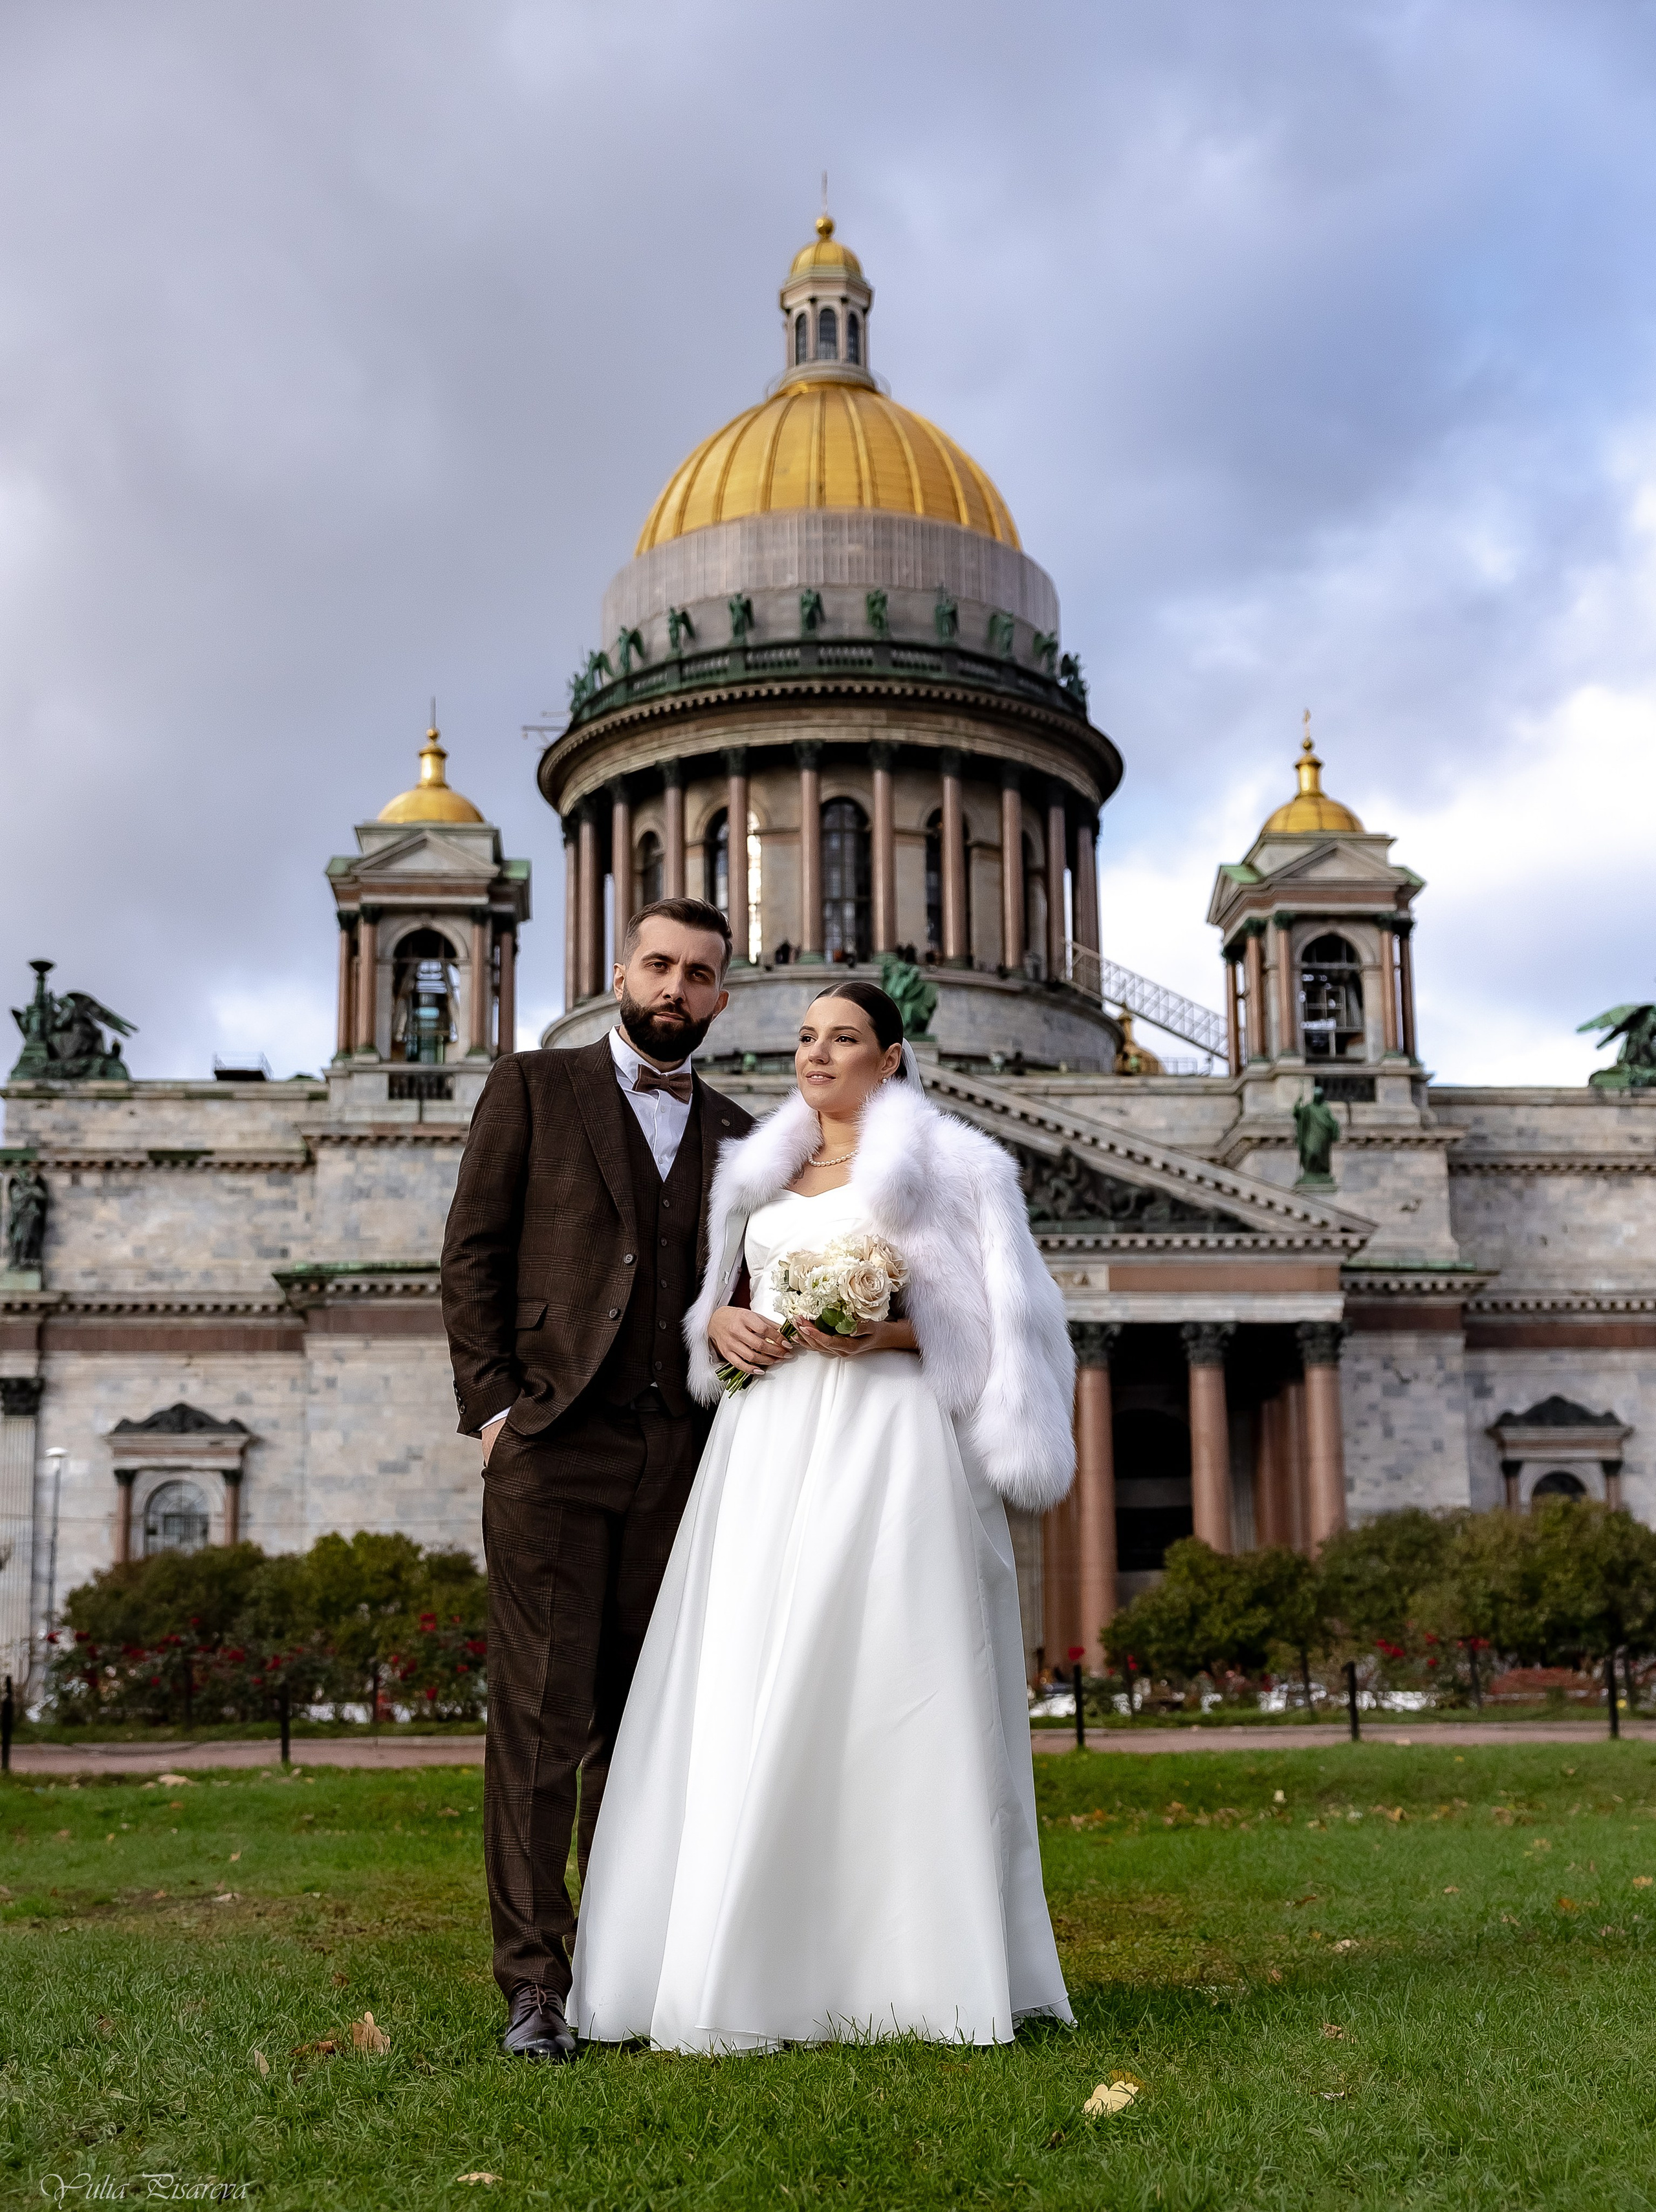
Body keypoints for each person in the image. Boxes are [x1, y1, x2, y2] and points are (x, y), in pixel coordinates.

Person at [569, 980, 1076, 2052]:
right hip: (766, 1442)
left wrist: (882, 1336)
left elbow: (997, 1338)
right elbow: (715, 1305)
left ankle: (907, 1967)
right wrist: (727, 1327)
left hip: (887, 1442)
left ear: (889, 1058)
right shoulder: (753, 1173)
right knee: (751, 1670)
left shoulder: (958, 1170)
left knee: (887, 1675)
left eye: (843, 1039)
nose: (817, 1054)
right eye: (805, 1037)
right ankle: (743, 1962)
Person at [440, 897, 754, 2062]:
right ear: (621, 973)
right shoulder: (534, 1086)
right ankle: (533, 1989)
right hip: (554, 1447)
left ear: (724, 997)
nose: (675, 988)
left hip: (680, 1459)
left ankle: (628, 1971)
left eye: (700, 975)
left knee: (651, 1725)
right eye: (659, 965)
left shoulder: (740, 1132)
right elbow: (472, 1248)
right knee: (540, 1724)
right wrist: (493, 1411)